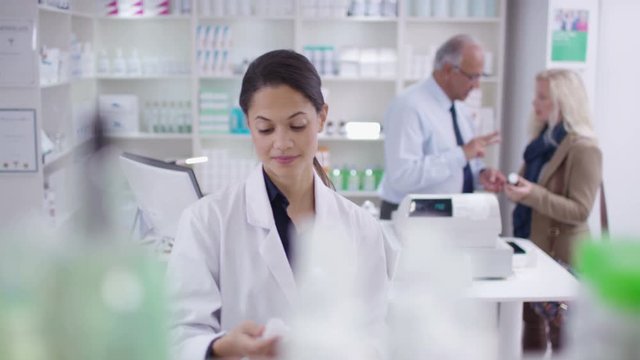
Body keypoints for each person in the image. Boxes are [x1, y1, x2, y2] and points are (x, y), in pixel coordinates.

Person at [166, 50, 389, 359]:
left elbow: (376, 335)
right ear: (247, 124)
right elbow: (181, 334)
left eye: (297, 125)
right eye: (266, 129)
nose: (282, 142)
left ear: (322, 117)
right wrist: (219, 348)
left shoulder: (360, 228)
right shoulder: (207, 221)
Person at [504, 69, 602, 353]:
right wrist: (510, 185)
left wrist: (533, 194)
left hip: (562, 257)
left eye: (542, 97)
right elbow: (531, 191)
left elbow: (580, 210)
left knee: (563, 337)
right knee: (531, 327)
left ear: (563, 101)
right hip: (532, 248)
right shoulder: (541, 143)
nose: (535, 104)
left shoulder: (584, 149)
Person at [378, 34, 505, 220]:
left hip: (448, 216)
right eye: (473, 77)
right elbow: (402, 176)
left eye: (481, 76)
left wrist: (481, 175)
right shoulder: (409, 106)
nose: (477, 86)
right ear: (448, 70)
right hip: (411, 217)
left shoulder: (460, 107)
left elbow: (458, 164)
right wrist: (462, 154)